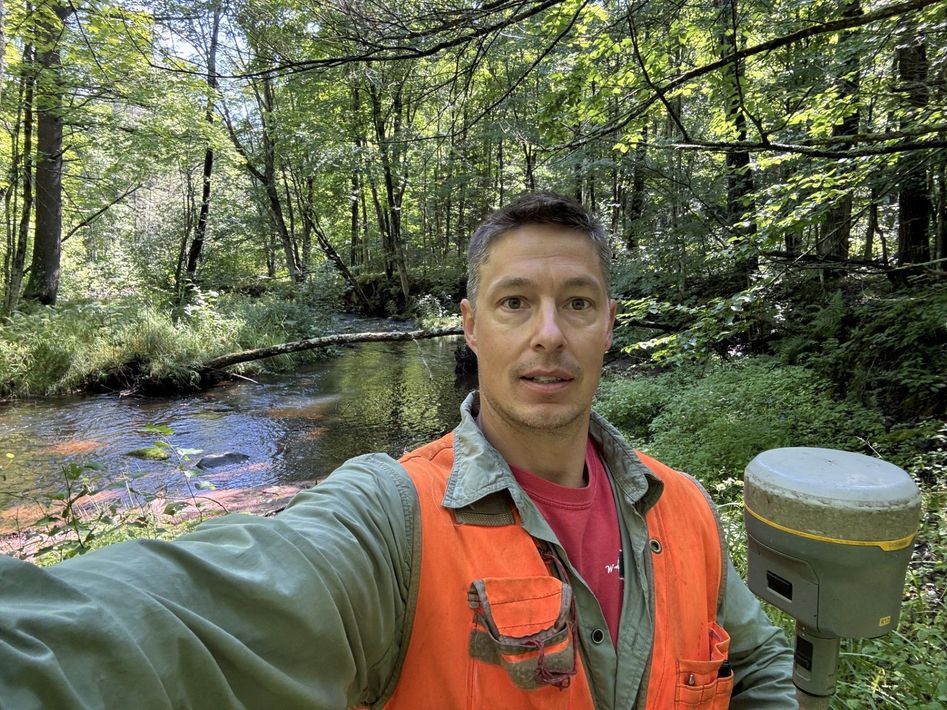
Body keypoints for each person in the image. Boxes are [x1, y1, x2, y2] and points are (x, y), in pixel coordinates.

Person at [0, 193, 795, 709]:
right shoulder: (393, 518)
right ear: (471, 326)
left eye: (576, 304)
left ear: (608, 326)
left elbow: (755, 670)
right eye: (515, 302)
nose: (548, 333)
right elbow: (172, 618)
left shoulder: (681, 507)